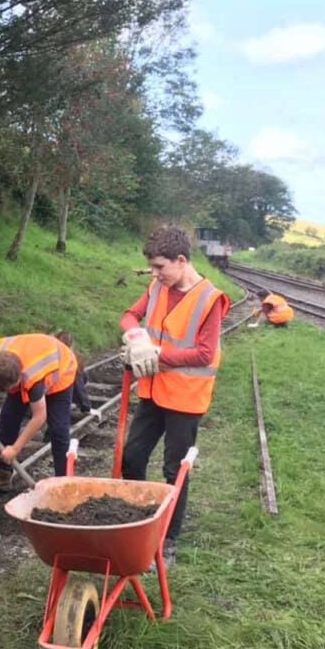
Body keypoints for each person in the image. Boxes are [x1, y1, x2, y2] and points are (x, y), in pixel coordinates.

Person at [120, 226, 229, 568]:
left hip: (185, 398)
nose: (154, 275)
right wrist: (136, 338)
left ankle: (168, 541)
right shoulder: (157, 286)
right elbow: (129, 315)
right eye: (152, 268)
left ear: (181, 261)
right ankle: (139, 522)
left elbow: (204, 354)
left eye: (159, 267)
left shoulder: (210, 299)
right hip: (152, 391)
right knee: (133, 457)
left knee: (175, 470)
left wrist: (156, 353)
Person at [0, 333, 78, 492]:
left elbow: (39, 417)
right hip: (33, 361)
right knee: (8, 417)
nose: (11, 392)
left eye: (11, 388)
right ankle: (3, 475)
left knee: (58, 430)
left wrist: (15, 449)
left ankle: (63, 485)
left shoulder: (32, 379)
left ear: (19, 376)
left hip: (62, 372)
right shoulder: (2, 358)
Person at [54, 330, 101, 421]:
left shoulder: (49, 356)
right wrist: (86, 408)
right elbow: (79, 386)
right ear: (71, 345)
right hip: (59, 396)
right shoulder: (72, 360)